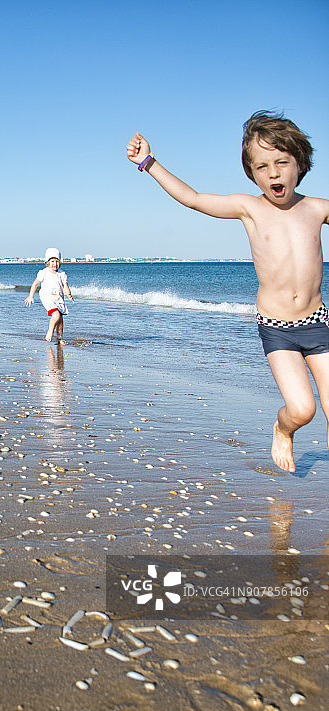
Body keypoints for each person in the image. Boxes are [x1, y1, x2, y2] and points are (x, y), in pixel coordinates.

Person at [126, 111, 329, 473]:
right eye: (262, 166)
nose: (274, 173)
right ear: (251, 172)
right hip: (278, 327)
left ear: (300, 162)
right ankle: (283, 429)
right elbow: (192, 198)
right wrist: (149, 163)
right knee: (302, 410)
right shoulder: (249, 208)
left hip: (318, 322)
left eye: (282, 162)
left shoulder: (316, 209)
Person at [25, 247, 74, 344]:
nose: (54, 264)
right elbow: (35, 284)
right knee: (55, 315)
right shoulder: (44, 273)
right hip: (47, 297)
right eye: (52, 261)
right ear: (47, 262)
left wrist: (69, 294)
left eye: (57, 261)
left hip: (58, 298)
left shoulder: (62, 273)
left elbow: (65, 285)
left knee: (60, 319)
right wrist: (31, 296)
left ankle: (60, 339)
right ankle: (50, 331)